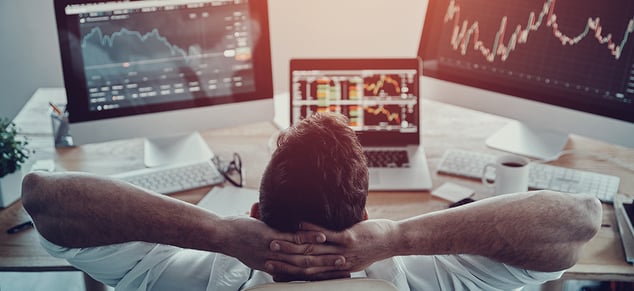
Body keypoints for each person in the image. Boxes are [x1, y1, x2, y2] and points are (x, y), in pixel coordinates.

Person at [22, 112, 602, 290]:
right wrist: (400, 239)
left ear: (255, 212)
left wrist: (218, 235)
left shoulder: (193, 277)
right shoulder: (430, 278)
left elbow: (44, 199)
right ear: (365, 220)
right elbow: (578, 223)